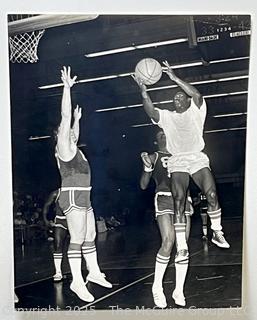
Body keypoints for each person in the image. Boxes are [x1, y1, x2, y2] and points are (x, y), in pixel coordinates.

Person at [133, 61, 230, 269]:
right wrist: (143, 91)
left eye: (179, 97)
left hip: (197, 157)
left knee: (212, 194)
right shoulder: (167, 117)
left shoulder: (196, 112)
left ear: (186, 101)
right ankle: (183, 246)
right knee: (179, 200)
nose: (176, 99)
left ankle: (217, 231)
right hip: (177, 160)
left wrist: (175, 78)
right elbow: (150, 111)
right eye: (174, 97)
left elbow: (197, 95)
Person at [55, 66, 112, 302]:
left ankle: (94, 272)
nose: (70, 132)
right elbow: (65, 116)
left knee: (89, 235)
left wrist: (78, 121)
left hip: (83, 196)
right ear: (59, 134)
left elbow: (74, 132)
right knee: (77, 238)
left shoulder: (73, 146)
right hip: (72, 195)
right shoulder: (63, 147)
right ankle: (77, 282)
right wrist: (67, 89)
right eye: (66, 130)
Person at [140, 130, 193, 307]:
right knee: (168, 241)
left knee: (182, 245)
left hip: (183, 200)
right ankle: (157, 287)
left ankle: (178, 290)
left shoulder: (181, 154)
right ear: (156, 141)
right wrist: (147, 167)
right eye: (160, 135)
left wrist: (190, 198)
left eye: (166, 134)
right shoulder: (154, 156)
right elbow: (143, 185)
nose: (164, 136)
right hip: (163, 197)